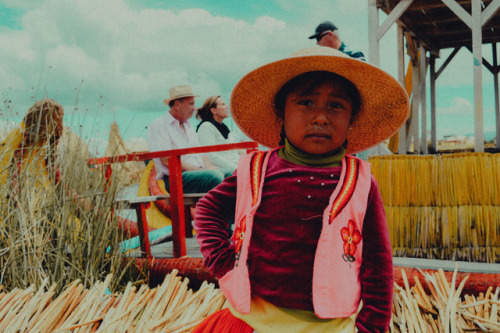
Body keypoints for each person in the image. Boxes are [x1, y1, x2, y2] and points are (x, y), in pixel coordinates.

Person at [193, 46, 410, 332]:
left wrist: (371, 327)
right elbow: (208, 209)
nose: (321, 117)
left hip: (328, 327)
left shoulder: (360, 183)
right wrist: (222, 260)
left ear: (351, 120)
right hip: (252, 319)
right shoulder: (256, 169)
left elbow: (378, 266)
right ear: (282, 114)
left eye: (336, 105)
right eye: (306, 102)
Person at [146, 85, 232, 194]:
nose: (194, 108)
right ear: (177, 104)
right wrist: (201, 170)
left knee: (233, 174)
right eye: (191, 104)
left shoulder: (188, 125)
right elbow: (166, 160)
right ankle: (220, 210)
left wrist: (209, 166)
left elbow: (200, 153)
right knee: (214, 177)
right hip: (176, 179)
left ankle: (237, 210)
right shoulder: (159, 126)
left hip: (198, 173)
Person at [196, 95, 241, 171]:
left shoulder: (226, 128)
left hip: (234, 167)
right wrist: (236, 168)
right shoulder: (206, 127)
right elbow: (211, 155)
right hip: (221, 170)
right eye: (223, 104)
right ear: (214, 110)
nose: (227, 107)